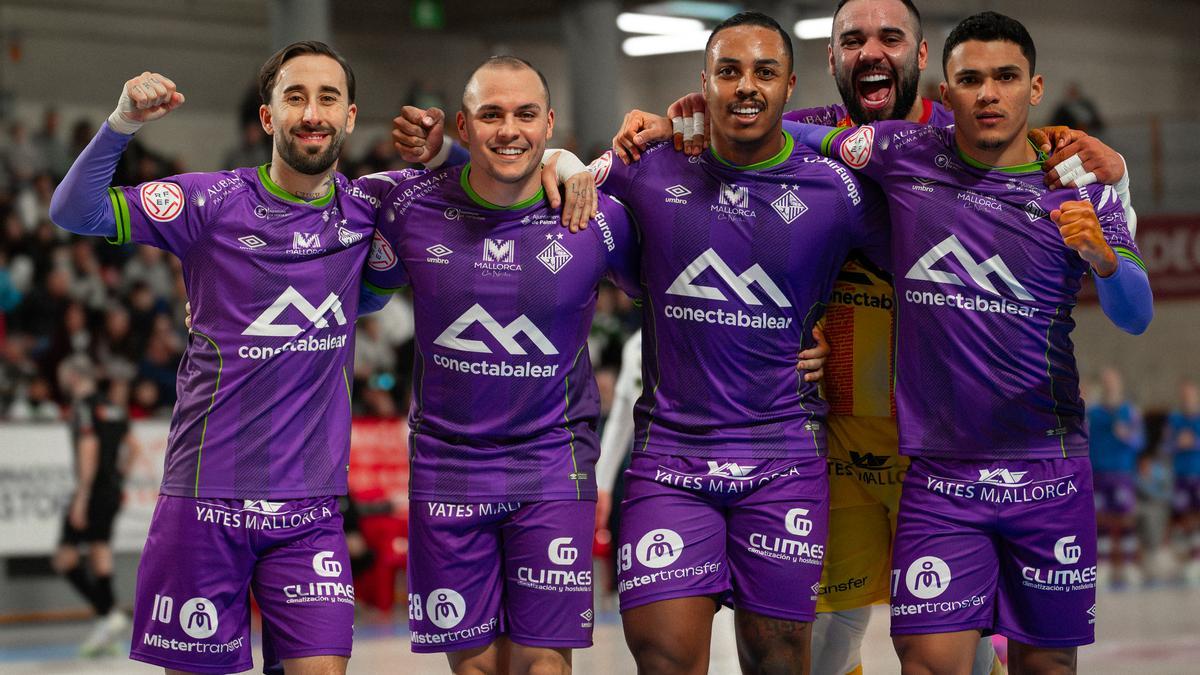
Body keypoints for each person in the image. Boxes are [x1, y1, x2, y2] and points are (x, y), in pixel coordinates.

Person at [788, 11, 1152, 673]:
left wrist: (1105, 255)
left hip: (1046, 468)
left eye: (1006, 78)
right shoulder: (903, 151)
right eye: (972, 80)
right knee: (918, 657)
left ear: (1034, 88)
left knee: (1045, 665)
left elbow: (1136, 313)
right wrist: (686, 128)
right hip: (936, 472)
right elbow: (781, 134)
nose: (989, 94)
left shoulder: (1076, 188)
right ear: (946, 91)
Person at [50, 41, 395, 675]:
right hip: (204, 500)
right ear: (268, 116)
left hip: (310, 510)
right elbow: (74, 210)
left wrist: (562, 161)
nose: (311, 113)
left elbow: (488, 181)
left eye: (328, 98)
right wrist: (122, 122)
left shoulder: (369, 210)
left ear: (349, 117)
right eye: (294, 97)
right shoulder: (209, 202)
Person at [586, 12, 890, 673]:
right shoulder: (646, 168)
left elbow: (927, 264)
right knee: (664, 658)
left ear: (790, 87)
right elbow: (555, 189)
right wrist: (540, 159)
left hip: (784, 458)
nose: (746, 86)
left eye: (764, 72)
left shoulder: (836, 189)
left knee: (778, 657)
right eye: (729, 71)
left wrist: (838, 332)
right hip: (672, 458)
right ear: (703, 84)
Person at [360, 56, 640, 675]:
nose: (508, 129)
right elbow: (342, 285)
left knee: (544, 665)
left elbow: (674, 295)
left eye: (525, 114)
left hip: (552, 462)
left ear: (549, 125)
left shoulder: (595, 216)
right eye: (491, 115)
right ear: (462, 126)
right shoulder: (409, 207)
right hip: (447, 468)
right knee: (477, 669)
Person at [54, 374, 142, 657]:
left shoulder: (84, 407)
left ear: (73, 376)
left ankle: (107, 613)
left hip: (92, 491)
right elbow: (134, 447)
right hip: (111, 491)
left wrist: (82, 495)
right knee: (100, 549)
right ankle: (107, 622)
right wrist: (120, 476)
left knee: (65, 558)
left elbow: (88, 447)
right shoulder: (114, 407)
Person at [1088, 366, 1146, 586]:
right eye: (1105, 381)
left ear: (1119, 383)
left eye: (1112, 380)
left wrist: (1127, 435)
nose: (1109, 384)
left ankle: (1129, 564)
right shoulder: (1092, 412)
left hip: (1122, 473)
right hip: (1098, 473)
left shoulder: (1130, 412)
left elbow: (1140, 442)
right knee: (1100, 519)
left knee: (1126, 518)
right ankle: (1103, 565)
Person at [1164, 380, 1200, 585]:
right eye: (1184, 395)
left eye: (1190, 394)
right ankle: (1190, 559)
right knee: (1184, 519)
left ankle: (1196, 559)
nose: (1187, 398)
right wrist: (1177, 443)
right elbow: (1166, 446)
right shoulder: (1175, 419)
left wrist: (1193, 442)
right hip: (1181, 477)